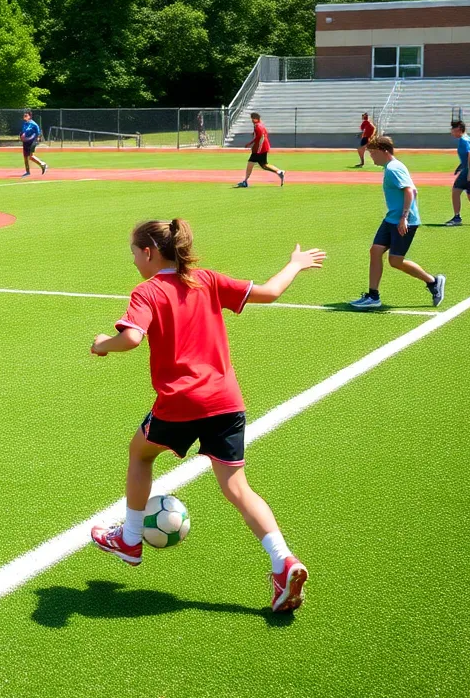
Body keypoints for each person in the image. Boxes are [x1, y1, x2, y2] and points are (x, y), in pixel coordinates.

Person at [89, 219, 325, 613]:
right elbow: (269, 292)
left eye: (134, 252)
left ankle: (129, 538)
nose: (133, 260)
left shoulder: (147, 291)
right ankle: (283, 560)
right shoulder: (207, 280)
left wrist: (102, 345)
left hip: (181, 402)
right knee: (237, 487)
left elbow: (131, 337)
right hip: (226, 402)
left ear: (149, 252)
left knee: (140, 453)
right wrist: (295, 264)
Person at [350, 135, 445, 311]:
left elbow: (411, 191)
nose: (371, 157)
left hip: (403, 221)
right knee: (375, 251)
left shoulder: (394, 168)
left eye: (373, 153)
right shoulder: (390, 166)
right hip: (391, 218)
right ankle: (373, 296)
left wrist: (404, 217)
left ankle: (432, 281)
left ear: (384, 152)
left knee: (396, 261)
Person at [237, 112, 285, 187]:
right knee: (264, 165)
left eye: (253, 118)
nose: (252, 120)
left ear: (255, 119)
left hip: (259, 149)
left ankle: (245, 181)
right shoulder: (260, 125)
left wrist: (255, 147)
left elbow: (261, 137)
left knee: (250, 163)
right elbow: (261, 136)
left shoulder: (258, 126)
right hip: (263, 148)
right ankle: (279, 172)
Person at [19, 110, 47, 177]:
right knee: (25, 157)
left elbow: (38, 133)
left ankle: (42, 164)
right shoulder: (25, 123)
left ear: (30, 116)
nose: (24, 116)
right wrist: (22, 136)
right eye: (24, 115)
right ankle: (27, 172)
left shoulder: (33, 124)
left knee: (31, 156)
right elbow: (23, 132)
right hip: (26, 142)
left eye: (26, 115)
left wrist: (36, 139)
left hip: (32, 141)